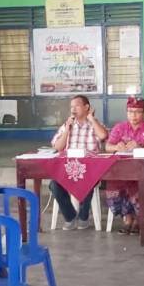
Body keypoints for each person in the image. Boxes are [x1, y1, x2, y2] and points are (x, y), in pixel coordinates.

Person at [49, 95, 108, 230]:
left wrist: (91, 118)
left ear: (86, 107)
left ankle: (83, 216)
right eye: (71, 107)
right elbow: (57, 146)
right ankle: (70, 216)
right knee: (54, 184)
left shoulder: (95, 124)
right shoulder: (67, 125)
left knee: (88, 180)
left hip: (90, 169)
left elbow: (103, 136)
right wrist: (67, 130)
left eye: (76, 106)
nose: (73, 109)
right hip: (69, 168)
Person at [104, 96, 144, 235]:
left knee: (137, 182)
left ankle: (139, 220)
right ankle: (127, 219)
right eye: (130, 112)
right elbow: (107, 146)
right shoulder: (119, 127)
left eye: (137, 112)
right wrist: (117, 146)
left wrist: (140, 146)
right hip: (122, 169)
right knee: (115, 182)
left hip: (143, 168)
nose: (133, 115)